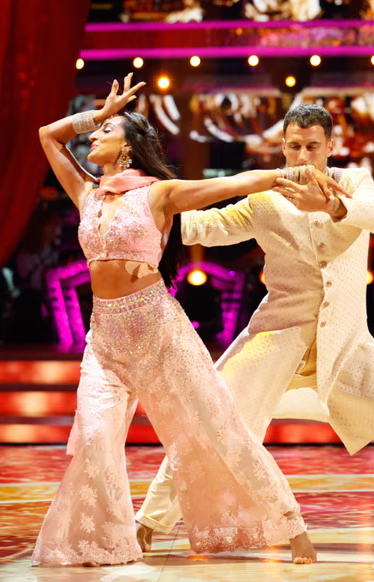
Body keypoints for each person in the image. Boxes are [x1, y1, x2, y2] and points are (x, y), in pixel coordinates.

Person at [32, 76, 342, 567]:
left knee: (216, 428)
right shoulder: (87, 194)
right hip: (105, 340)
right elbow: (49, 135)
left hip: (159, 332)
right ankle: (109, 542)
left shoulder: (158, 194)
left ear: (128, 147)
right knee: (94, 440)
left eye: (105, 130)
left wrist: (286, 175)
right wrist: (98, 114)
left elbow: (229, 185)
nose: (93, 136)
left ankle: (291, 526)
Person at [136, 104, 374, 558]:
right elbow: (208, 226)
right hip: (276, 336)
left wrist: (333, 205)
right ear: (282, 147)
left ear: (330, 146)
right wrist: (142, 208)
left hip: (346, 342)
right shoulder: (265, 197)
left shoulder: (353, 182)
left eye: (312, 146)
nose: (303, 156)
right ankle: (148, 522)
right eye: (295, 146)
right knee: (211, 420)